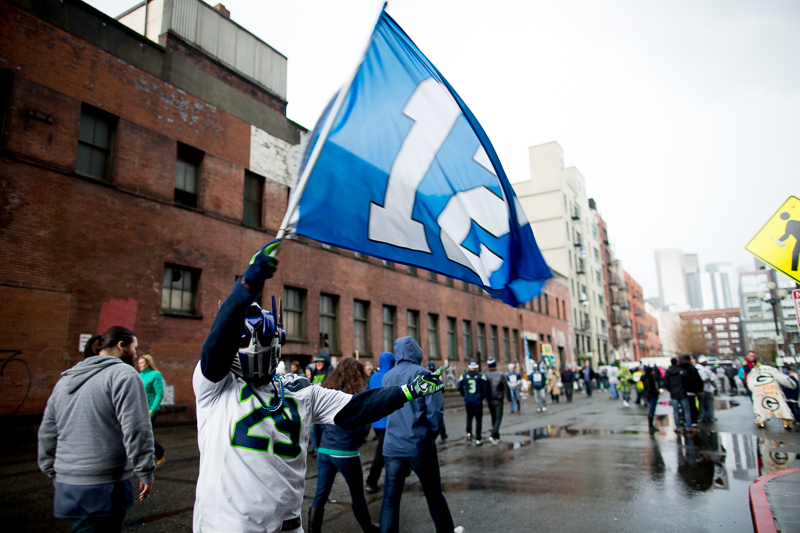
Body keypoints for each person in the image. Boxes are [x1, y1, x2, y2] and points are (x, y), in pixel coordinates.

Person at [192, 242, 448, 532]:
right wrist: (245, 288)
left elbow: (357, 407)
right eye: (241, 341)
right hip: (226, 525)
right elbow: (216, 345)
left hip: (286, 526)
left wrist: (407, 392)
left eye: (259, 340)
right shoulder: (216, 387)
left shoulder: (300, 389)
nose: (251, 347)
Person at [38, 326, 155, 533]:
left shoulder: (66, 379)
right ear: (121, 346)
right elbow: (136, 429)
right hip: (104, 485)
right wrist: (145, 471)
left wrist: (53, 473)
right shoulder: (123, 374)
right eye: (135, 348)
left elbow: (47, 432)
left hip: (67, 485)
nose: (136, 354)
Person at [380, 336, 463, 533]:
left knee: (390, 500)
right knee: (433, 494)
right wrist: (432, 433)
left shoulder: (387, 377)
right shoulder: (425, 374)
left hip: (392, 445)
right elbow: (435, 410)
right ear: (416, 351)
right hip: (418, 444)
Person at [311, 358, 380, 533]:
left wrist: (319, 445)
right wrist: (358, 439)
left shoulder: (326, 390)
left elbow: (317, 423)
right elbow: (362, 424)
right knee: (357, 494)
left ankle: (313, 530)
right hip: (345, 450)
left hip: (325, 450)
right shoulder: (353, 395)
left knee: (320, 495)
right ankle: (369, 528)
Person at [365, 351, 397, 494]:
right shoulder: (393, 376)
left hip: (376, 419)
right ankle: (372, 480)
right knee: (383, 451)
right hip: (389, 419)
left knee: (385, 448)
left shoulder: (373, 377)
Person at [746, 362, 797, 429]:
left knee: (760, 406)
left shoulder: (751, 372)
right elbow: (783, 378)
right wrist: (792, 385)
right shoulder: (772, 369)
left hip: (758, 390)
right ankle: (786, 422)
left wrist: (755, 391)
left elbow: (750, 385)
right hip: (773, 388)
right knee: (781, 405)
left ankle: (761, 421)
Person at [138, 354, 166, 468]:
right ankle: (156, 453)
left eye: (142, 363)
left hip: (150, 410)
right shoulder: (139, 375)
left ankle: (158, 454)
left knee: (144, 435)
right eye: (139, 363)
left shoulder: (155, 374)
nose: (140, 365)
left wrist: (152, 410)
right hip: (140, 409)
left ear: (148, 363)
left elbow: (159, 394)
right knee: (140, 435)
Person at [458, 359, 488, 444]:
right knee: (478, 420)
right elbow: (485, 388)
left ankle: (468, 433)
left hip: (468, 400)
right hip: (478, 400)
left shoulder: (463, 376)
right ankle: (478, 438)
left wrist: (464, 395)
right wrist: (483, 397)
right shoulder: (481, 376)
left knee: (469, 417)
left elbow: (459, 387)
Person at [664, 357, 692, 434]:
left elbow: (666, 383)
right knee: (686, 410)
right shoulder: (682, 371)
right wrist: (684, 389)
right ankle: (688, 426)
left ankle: (678, 426)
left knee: (675, 411)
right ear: (677, 363)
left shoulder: (668, 372)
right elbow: (688, 381)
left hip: (674, 394)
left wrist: (671, 389)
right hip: (682, 393)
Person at [485, 358, 509, 444]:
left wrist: (485, 398)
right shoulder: (501, 375)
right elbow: (506, 387)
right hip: (498, 399)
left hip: (490, 399)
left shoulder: (486, 375)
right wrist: (509, 398)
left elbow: (485, 388)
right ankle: (492, 435)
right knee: (498, 418)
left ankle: (496, 435)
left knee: (493, 417)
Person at [427, 361, 449, 441]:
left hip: (429, 400)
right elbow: (442, 388)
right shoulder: (438, 377)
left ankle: (434, 434)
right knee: (439, 417)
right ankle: (443, 434)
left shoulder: (425, 377)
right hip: (438, 400)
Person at [681, 355, 703, 427]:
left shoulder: (679, 368)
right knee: (692, 405)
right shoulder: (692, 368)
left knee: (684, 406)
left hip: (681, 391)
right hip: (691, 390)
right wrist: (700, 389)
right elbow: (697, 379)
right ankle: (693, 420)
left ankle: (685, 420)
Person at [696, 356, 717, 422]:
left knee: (706, 403)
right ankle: (705, 416)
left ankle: (707, 416)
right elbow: (711, 379)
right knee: (704, 403)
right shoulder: (699, 369)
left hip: (705, 388)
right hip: (702, 388)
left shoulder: (706, 368)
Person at [642, 366, 661, 434]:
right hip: (651, 395)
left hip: (650, 395)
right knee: (651, 410)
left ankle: (651, 425)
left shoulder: (649, 378)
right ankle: (650, 425)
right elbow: (649, 388)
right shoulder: (648, 378)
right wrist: (657, 392)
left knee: (652, 409)